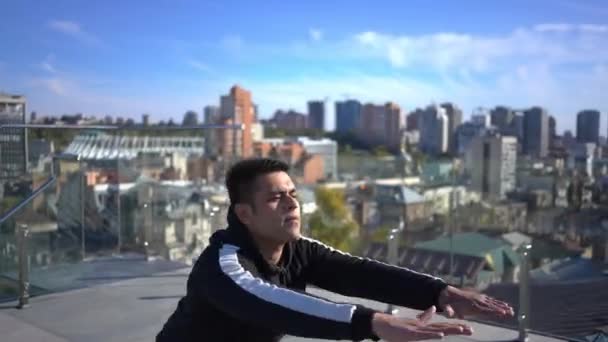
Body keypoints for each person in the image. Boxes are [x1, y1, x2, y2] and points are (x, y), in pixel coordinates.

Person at [157, 158, 514, 342]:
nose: (291, 204)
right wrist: (373, 322)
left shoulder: (298, 249)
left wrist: (439, 291)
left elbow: (358, 272)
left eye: (293, 194)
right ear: (244, 214)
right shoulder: (223, 265)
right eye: (276, 198)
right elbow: (276, 303)